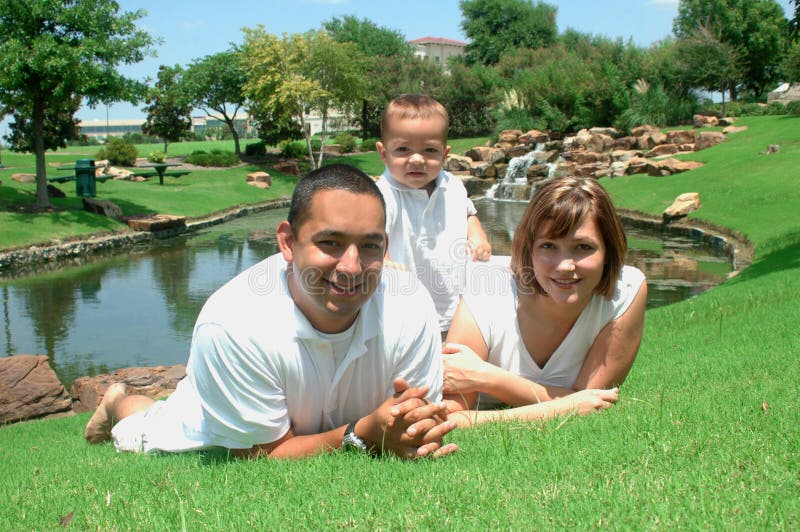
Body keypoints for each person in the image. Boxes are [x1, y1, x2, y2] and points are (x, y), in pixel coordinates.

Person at [85, 164, 458, 459]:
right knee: (149, 424)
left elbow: (416, 414)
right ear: (287, 241)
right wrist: (359, 435)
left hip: (335, 415)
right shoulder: (233, 322)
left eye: (370, 246)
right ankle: (116, 402)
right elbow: (260, 455)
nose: (351, 267)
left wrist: (408, 428)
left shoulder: (410, 305)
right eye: (330, 242)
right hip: (214, 427)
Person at [442, 176, 648, 426]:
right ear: (529, 249)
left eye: (583, 247)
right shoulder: (487, 288)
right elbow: (447, 416)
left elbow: (594, 402)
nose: (564, 266)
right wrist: (567, 405)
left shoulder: (626, 291)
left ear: (608, 251)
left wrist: (486, 377)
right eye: (549, 246)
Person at [376, 94, 492, 336]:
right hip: (404, 308)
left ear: (445, 154)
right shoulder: (383, 194)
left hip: (454, 305)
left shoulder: (453, 186)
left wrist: (477, 234)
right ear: (384, 153)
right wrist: (384, 261)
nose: (417, 159)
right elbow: (374, 234)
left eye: (429, 150)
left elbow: (468, 212)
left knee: (453, 363)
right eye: (403, 149)